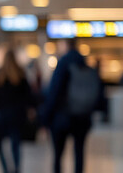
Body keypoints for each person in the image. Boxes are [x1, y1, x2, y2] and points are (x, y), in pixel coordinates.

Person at [41, 39, 100, 173]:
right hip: (82, 116)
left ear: (65, 45)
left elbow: (54, 92)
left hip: (63, 116)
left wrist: (45, 117)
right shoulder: (84, 63)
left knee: (58, 155)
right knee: (79, 152)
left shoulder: (63, 63)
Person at [0, 50, 35, 173]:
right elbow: (28, 95)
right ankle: (17, 168)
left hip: (1, 115)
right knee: (16, 144)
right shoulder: (21, 73)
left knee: (0, 145)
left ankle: (5, 169)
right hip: (17, 115)